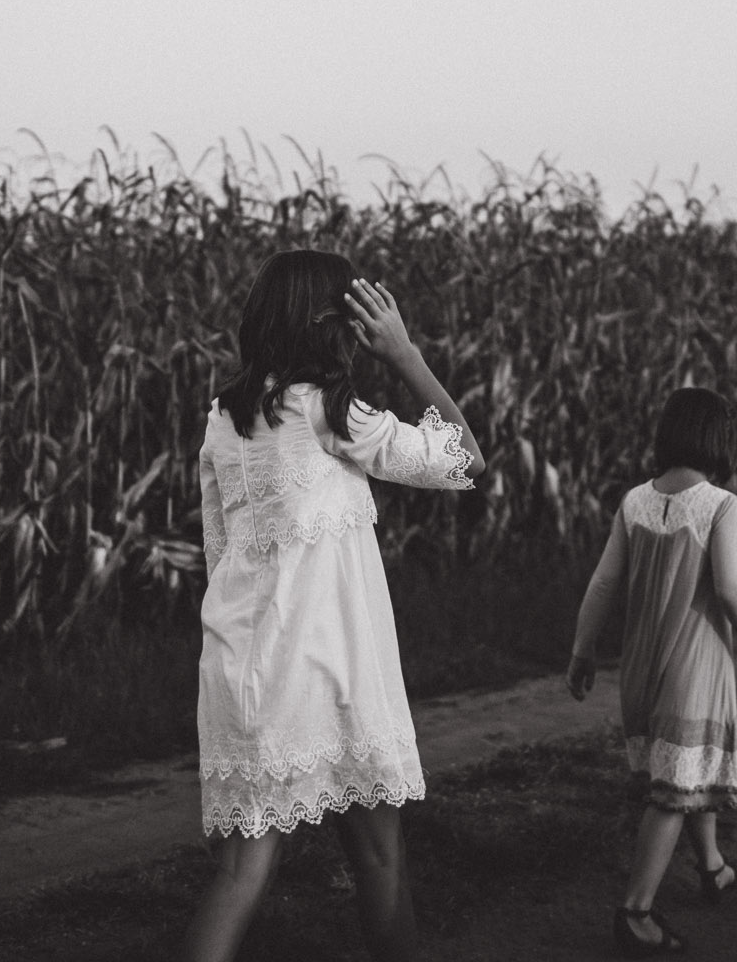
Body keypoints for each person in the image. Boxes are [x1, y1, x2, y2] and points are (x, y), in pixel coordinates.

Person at [184, 251, 488, 962]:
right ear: (331, 326)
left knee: (239, 873)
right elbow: (467, 458)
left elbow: (218, 551)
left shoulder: (222, 421)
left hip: (241, 671)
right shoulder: (332, 412)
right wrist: (407, 355)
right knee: (380, 861)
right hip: (332, 670)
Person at [567, 387, 737, 956]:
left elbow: (604, 584)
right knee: (674, 792)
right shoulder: (721, 505)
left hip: (641, 672)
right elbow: (732, 589)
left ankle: (715, 869)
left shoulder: (634, 502)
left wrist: (582, 649)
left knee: (683, 772)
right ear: (721, 441)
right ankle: (636, 911)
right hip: (692, 669)